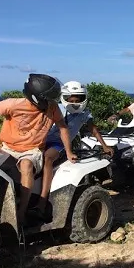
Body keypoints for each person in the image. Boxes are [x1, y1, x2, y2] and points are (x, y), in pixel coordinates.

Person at [0, 73, 78, 225]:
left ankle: (21, 212)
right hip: (7, 147)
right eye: (48, 97)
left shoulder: (52, 108)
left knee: (26, 165)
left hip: (32, 150)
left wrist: (69, 152)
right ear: (37, 97)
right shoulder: (14, 104)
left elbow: (62, 127)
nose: (52, 101)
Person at [33, 81, 114, 220]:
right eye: (72, 99)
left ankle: (42, 200)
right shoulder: (56, 108)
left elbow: (93, 130)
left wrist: (104, 145)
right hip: (43, 141)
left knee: (47, 158)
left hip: (60, 144)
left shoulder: (85, 114)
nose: (75, 102)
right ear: (65, 98)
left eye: (78, 99)